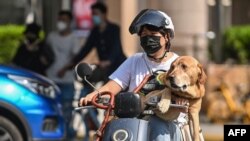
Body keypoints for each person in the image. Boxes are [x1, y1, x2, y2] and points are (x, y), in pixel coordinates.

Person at [79, 9, 188, 141]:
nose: (148, 38)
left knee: (159, 129)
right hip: (134, 121)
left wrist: (182, 100)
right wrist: (94, 95)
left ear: (166, 37)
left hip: (168, 122)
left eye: (153, 34)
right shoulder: (134, 60)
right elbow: (114, 85)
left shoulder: (180, 64)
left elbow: (191, 92)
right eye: (144, 35)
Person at [59, 2, 127, 83]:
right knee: (88, 81)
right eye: (92, 14)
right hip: (104, 69)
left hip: (119, 67)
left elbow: (116, 48)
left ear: (104, 14)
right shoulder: (94, 32)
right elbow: (85, 49)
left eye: (96, 14)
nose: (93, 16)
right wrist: (71, 64)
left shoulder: (114, 29)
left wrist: (108, 61)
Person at [45, 10, 80, 140]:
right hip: (50, 79)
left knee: (66, 112)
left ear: (70, 22)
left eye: (64, 20)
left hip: (67, 80)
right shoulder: (51, 37)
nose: (61, 23)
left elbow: (76, 58)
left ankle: (66, 136)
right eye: (59, 20)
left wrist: (65, 69)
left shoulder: (74, 38)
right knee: (51, 110)